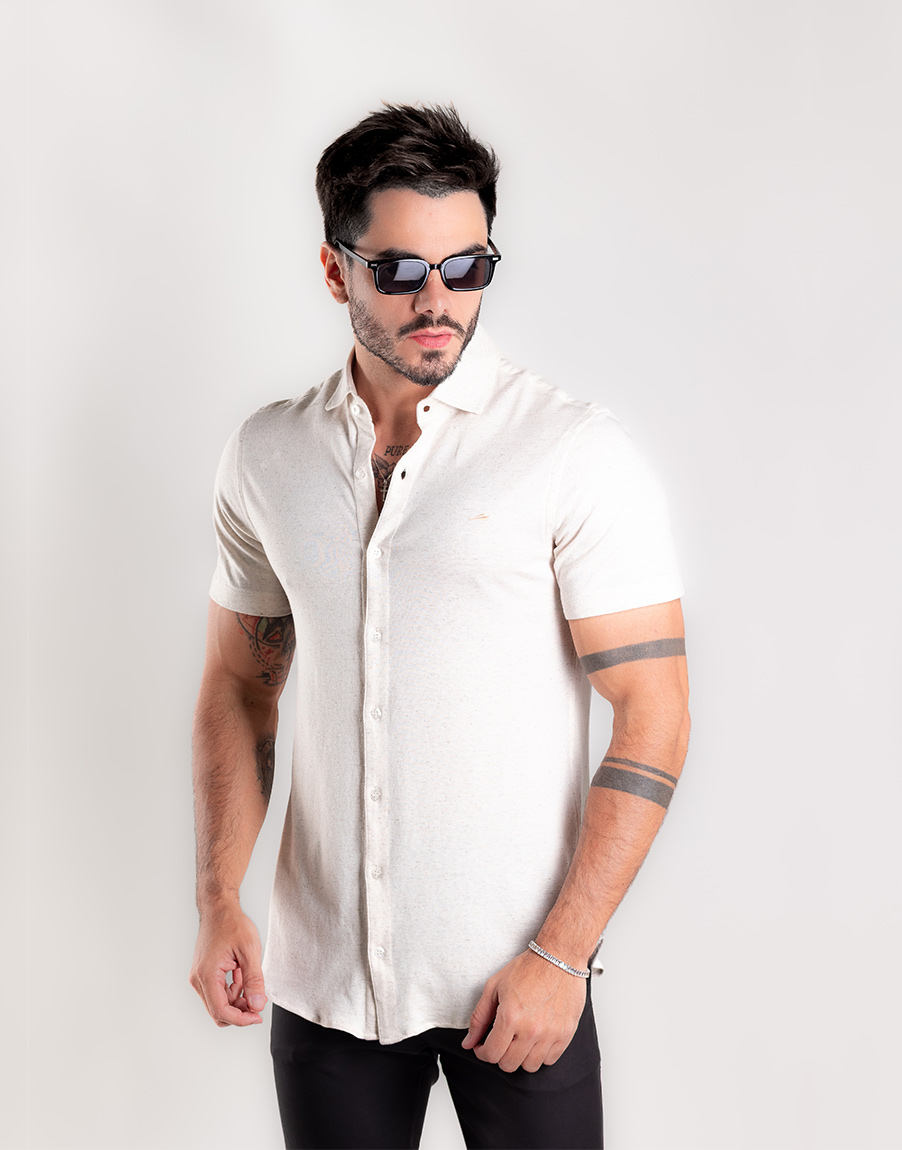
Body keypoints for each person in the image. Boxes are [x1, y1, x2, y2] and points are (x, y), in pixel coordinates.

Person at [189, 103, 690, 1150]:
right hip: (326, 989)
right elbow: (239, 684)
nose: (438, 300)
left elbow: (653, 713)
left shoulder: (571, 451)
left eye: (467, 268)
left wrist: (562, 956)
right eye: (400, 270)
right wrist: (219, 898)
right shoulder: (268, 455)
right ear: (335, 272)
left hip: (517, 988)